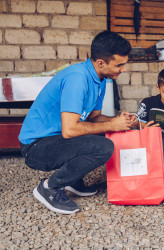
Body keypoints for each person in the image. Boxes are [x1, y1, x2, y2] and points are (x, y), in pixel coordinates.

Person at [18, 31, 135, 214]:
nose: (124, 69)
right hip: (36, 147)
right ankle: (50, 187)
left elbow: (93, 118)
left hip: (56, 138)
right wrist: (111, 125)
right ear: (101, 62)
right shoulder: (77, 79)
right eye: (119, 65)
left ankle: (73, 179)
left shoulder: (101, 78)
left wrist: (119, 121)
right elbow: (70, 130)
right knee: (103, 147)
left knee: (111, 133)